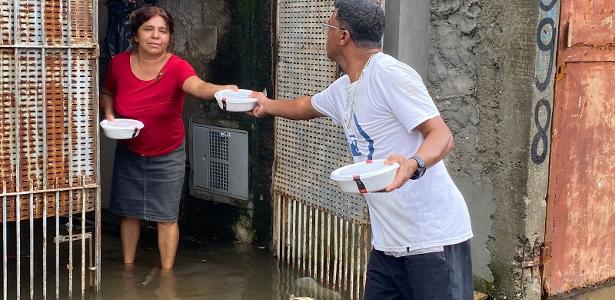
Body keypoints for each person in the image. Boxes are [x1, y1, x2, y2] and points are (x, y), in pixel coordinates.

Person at [250, 0, 473, 299]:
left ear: (343, 36)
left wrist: (412, 164)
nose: (324, 34)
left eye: (328, 27)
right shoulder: (345, 88)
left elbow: (442, 135)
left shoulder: (390, 74)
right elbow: (306, 105)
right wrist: (265, 105)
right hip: (388, 244)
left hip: (432, 240)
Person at [100, 5, 237, 269]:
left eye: (162, 31)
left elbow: (198, 86)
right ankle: (128, 269)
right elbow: (106, 92)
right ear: (136, 35)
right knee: (129, 214)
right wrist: (109, 114)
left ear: (169, 37)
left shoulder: (177, 67)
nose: (155, 36)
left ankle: (166, 277)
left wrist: (221, 90)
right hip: (130, 150)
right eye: (148, 29)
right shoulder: (118, 64)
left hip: (167, 152)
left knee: (165, 217)